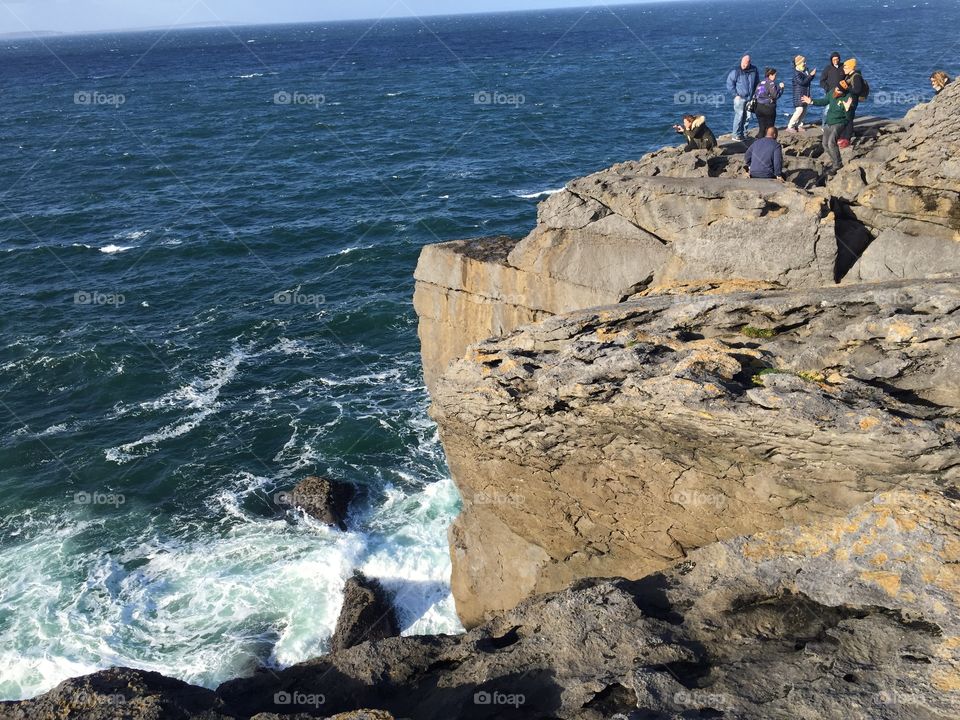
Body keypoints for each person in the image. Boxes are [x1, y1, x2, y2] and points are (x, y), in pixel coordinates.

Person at [804, 83, 854, 170]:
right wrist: (812, 101)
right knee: (825, 144)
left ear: (843, 92)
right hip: (829, 121)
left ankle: (837, 164)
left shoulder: (848, 98)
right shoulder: (832, 92)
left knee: (831, 142)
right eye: (836, 88)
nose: (836, 90)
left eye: (838, 90)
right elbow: (824, 101)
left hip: (840, 122)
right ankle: (835, 161)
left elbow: (849, 117)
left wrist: (847, 109)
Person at [726, 55, 760, 141]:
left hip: (750, 97)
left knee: (747, 116)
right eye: (743, 63)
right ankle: (736, 134)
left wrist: (756, 94)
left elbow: (757, 82)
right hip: (739, 98)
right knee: (739, 115)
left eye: (746, 63)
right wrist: (735, 95)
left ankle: (743, 133)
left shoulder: (754, 70)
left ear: (749, 63)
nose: (743, 65)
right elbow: (729, 83)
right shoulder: (736, 71)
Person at [839, 59, 865, 145]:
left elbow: (857, 90)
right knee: (844, 118)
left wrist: (846, 88)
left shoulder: (856, 76)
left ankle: (847, 139)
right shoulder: (848, 76)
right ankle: (842, 137)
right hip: (846, 99)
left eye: (845, 67)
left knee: (849, 119)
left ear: (851, 67)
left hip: (852, 100)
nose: (844, 68)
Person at [752, 67, 785, 139]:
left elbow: (757, 94)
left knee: (762, 128)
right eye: (775, 75)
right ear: (770, 75)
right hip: (768, 108)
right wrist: (781, 88)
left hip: (758, 107)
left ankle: (758, 142)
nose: (776, 77)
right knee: (770, 128)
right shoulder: (771, 83)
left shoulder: (760, 83)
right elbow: (775, 95)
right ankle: (768, 144)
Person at [787, 55, 816, 132]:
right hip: (798, 95)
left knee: (804, 110)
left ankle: (799, 125)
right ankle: (790, 126)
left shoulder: (804, 70)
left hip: (805, 94)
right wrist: (810, 75)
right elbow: (802, 82)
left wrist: (811, 75)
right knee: (799, 110)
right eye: (803, 62)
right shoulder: (796, 73)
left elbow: (807, 80)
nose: (805, 63)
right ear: (799, 63)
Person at [819, 52, 845, 124]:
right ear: (831, 60)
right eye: (834, 60)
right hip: (830, 93)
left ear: (839, 59)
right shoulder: (828, 68)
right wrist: (828, 89)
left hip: (841, 93)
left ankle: (838, 124)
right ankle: (824, 125)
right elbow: (822, 81)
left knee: (841, 109)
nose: (836, 61)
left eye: (837, 59)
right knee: (827, 109)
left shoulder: (843, 67)